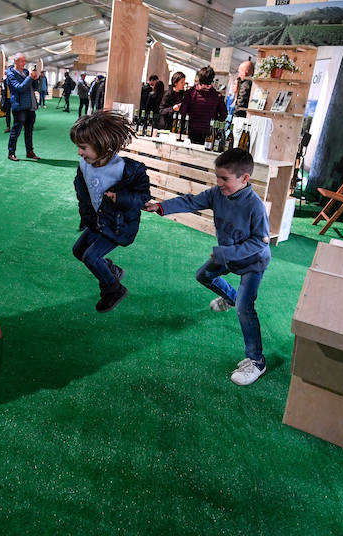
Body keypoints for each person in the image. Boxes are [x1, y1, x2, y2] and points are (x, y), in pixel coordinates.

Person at [144, 147, 270, 386]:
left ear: (245, 179)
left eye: (225, 178)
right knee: (203, 276)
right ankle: (230, 297)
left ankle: (256, 361)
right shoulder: (216, 194)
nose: (219, 183)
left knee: (245, 307)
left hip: (253, 263)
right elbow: (191, 201)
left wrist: (225, 252)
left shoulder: (255, 206)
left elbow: (258, 242)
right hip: (227, 257)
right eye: (217, 177)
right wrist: (162, 207)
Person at [72, 111, 151, 312]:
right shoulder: (85, 165)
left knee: (91, 257)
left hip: (118, 225)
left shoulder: (127, 170)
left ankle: (113, 289)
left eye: (83, 148)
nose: (79, 153)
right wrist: (86, 216)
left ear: (102, 146)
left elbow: (142, 196)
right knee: (78, 251)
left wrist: (121, 198)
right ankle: (111, 271)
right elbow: (83, 191)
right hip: (98, 222)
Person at [5, 52, 40, 162]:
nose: (24, 63)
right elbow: (19, 88)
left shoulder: (25, 72)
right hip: (19, 106)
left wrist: (35, 78)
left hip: (30, 106)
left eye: (25, 60)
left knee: (29, 131)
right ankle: (11, 152)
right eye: (22, 61)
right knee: (16, 131)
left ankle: (29, 151)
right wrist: (30, 78)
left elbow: (34, 88)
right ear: (15, 61)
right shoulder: (11, 74)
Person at [180, 66, 227, 145]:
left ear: (199, 78)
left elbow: (183, 111)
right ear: (212, 79)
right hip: (208, 134)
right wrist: (213, 118)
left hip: (190, 132)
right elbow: (224, 115)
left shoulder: (190, 93)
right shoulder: (217, 96)